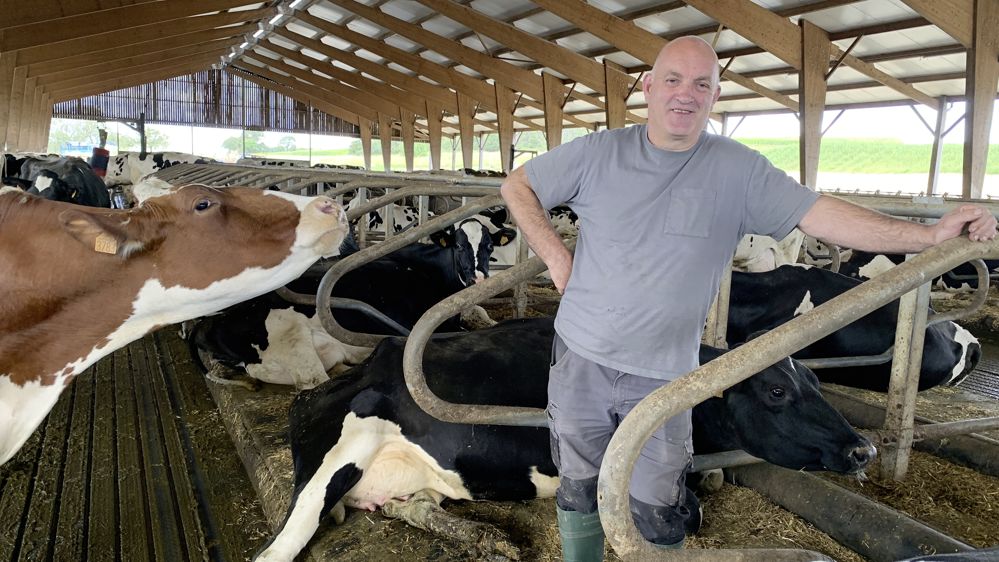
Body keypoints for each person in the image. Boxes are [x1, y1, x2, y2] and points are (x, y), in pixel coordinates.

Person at [499, 36, 997, 561]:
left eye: (701, 84)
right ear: (648, 87)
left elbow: (822, 214)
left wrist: (928, 236)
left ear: (716, 95)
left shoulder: (737, 169)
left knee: (656, 500)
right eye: (672, 80)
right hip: (581, 357)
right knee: (578, 482)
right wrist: (557, 258)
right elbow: (518, 187)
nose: (684, 94)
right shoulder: (599, 153)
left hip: (666, 373)